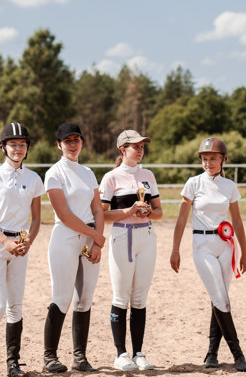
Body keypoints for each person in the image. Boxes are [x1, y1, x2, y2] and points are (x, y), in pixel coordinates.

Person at [170, 137, 246, 372]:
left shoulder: (229, 186)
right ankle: (238, 354)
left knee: (219, 297)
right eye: (204, 159)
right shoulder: (193, 184)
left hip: (225, 244)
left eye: (213, 158)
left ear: (224, 159)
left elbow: (237, 220)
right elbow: (181, 219)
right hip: (202, 244)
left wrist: (245, 251)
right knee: (221, 298)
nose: (208, 163)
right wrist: (175, 248)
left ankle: (212, 354)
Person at [0, 123, 44, 377]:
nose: (18, 149)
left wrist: (28, 242)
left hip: (20, 247)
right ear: (3, 147)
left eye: (22, 144)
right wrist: (4, 241)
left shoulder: (34, 179)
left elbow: (37, 218)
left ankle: (13, 363)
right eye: (13, 144)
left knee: (16, 306)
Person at [43, 122, 106, 373]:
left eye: (76, 140)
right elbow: (64, 214)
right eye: (67, 141)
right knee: (62, 297)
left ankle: (80, 357)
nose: (72, 144)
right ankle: (50, 357)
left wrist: (97, 241)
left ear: (82, 142)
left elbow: (98, 209)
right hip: (66, 237)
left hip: (89, 239)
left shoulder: (88, 172)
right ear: (59, 145)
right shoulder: (54, 173)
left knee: (85, 299)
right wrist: (95, 235)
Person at [99, 130, 163, 371]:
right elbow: (102, 215)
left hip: (146, 237)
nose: (140, 150)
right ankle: (120, 353)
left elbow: (159, 212)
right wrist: (129, 211)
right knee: (120, 296)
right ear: (122, 150)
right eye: (135, 146)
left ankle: (138, 353)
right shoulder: (111, 178)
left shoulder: (148, 176)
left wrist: (148, 212)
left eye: (142, 146)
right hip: (122, 236)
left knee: (139, 298)